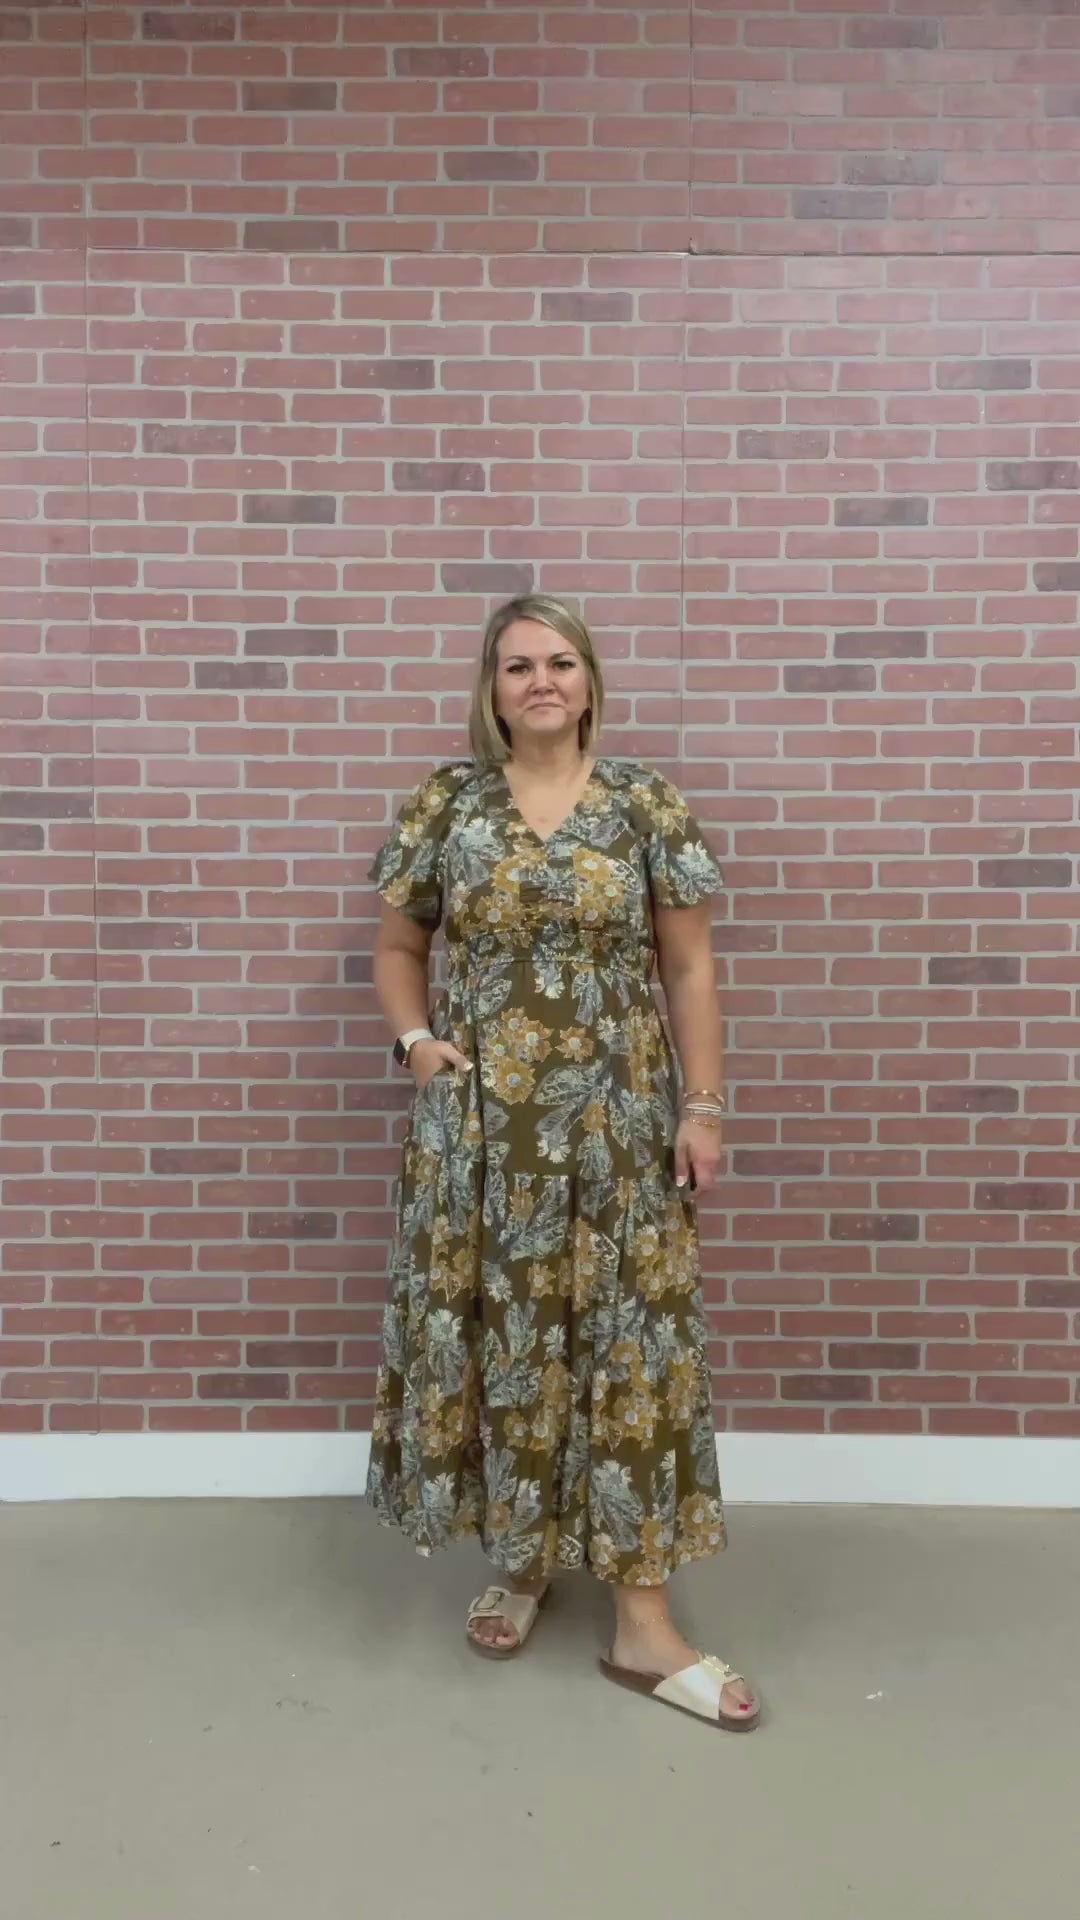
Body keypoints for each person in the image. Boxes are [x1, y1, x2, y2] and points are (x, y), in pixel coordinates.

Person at [366, 594, 760, 1732]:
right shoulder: (450, 803)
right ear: (491, 691)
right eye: (517, 665)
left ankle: (643, 1621)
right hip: (483, 1132)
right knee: (509, 1336)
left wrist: (703, 1107)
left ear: (589, 681)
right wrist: (419, 1045)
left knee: (629, 1344)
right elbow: (398, 944)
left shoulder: (643, 803)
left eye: (560, 661)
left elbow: (689, 969)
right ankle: (527, 1556)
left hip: (618, 1123)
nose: (540, 680)